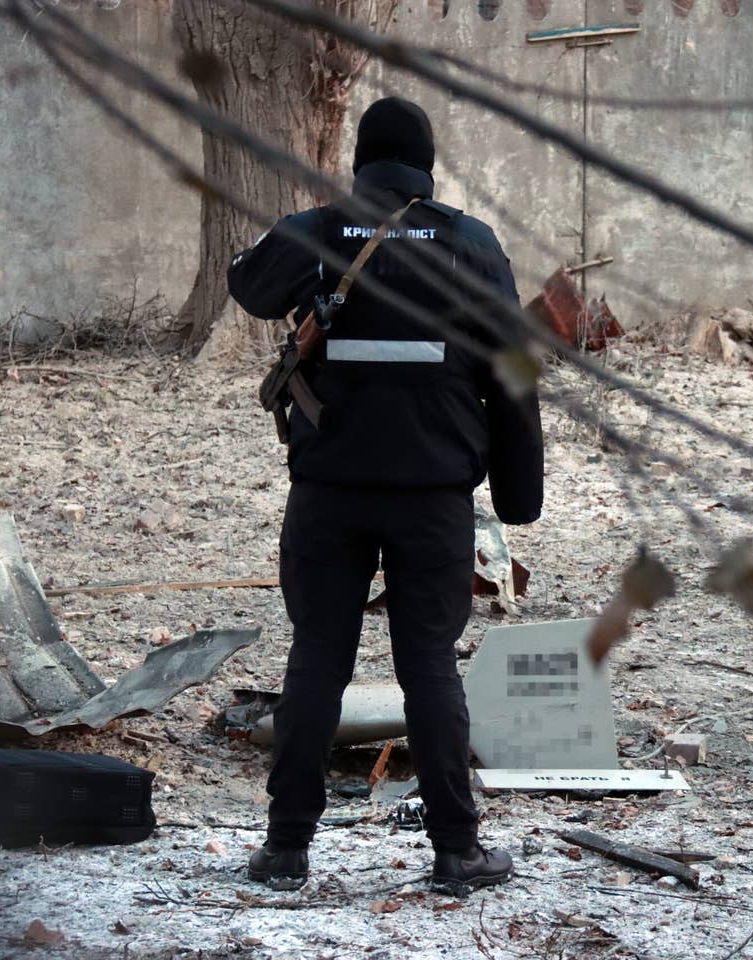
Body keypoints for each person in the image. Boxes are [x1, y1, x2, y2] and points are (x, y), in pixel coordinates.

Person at [226, 97, 544, 895]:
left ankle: (287, 849)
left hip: (329, 490)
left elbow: (247, 286)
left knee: (316, 663)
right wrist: (518, 494)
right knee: (430, 667)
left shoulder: (321, 230)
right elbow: (513, 376)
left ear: (361, 163)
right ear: (426, 166)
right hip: (432, 495)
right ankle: (455, 853)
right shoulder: (472, 244)